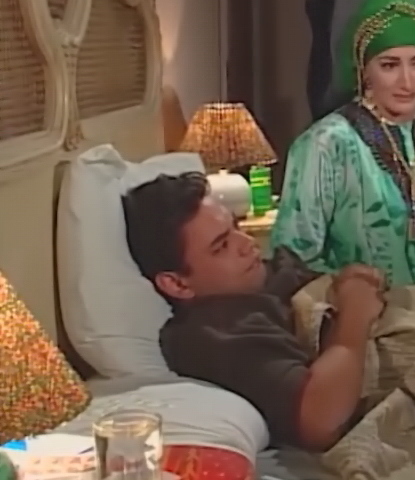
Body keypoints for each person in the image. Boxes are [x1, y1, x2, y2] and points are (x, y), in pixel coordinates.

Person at [123, 171, 384, 451]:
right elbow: (319, 418)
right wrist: (356, 311)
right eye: (222, 246)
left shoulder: (272, 274)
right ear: (177, 284)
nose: (247, 243)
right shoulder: (215, 333)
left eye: (236, 226)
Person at [272, 0, 415, 288]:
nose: (407, 82)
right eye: (389, 65)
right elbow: (296, 258)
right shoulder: (327, 142)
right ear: (364, 70)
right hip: (365, 308)